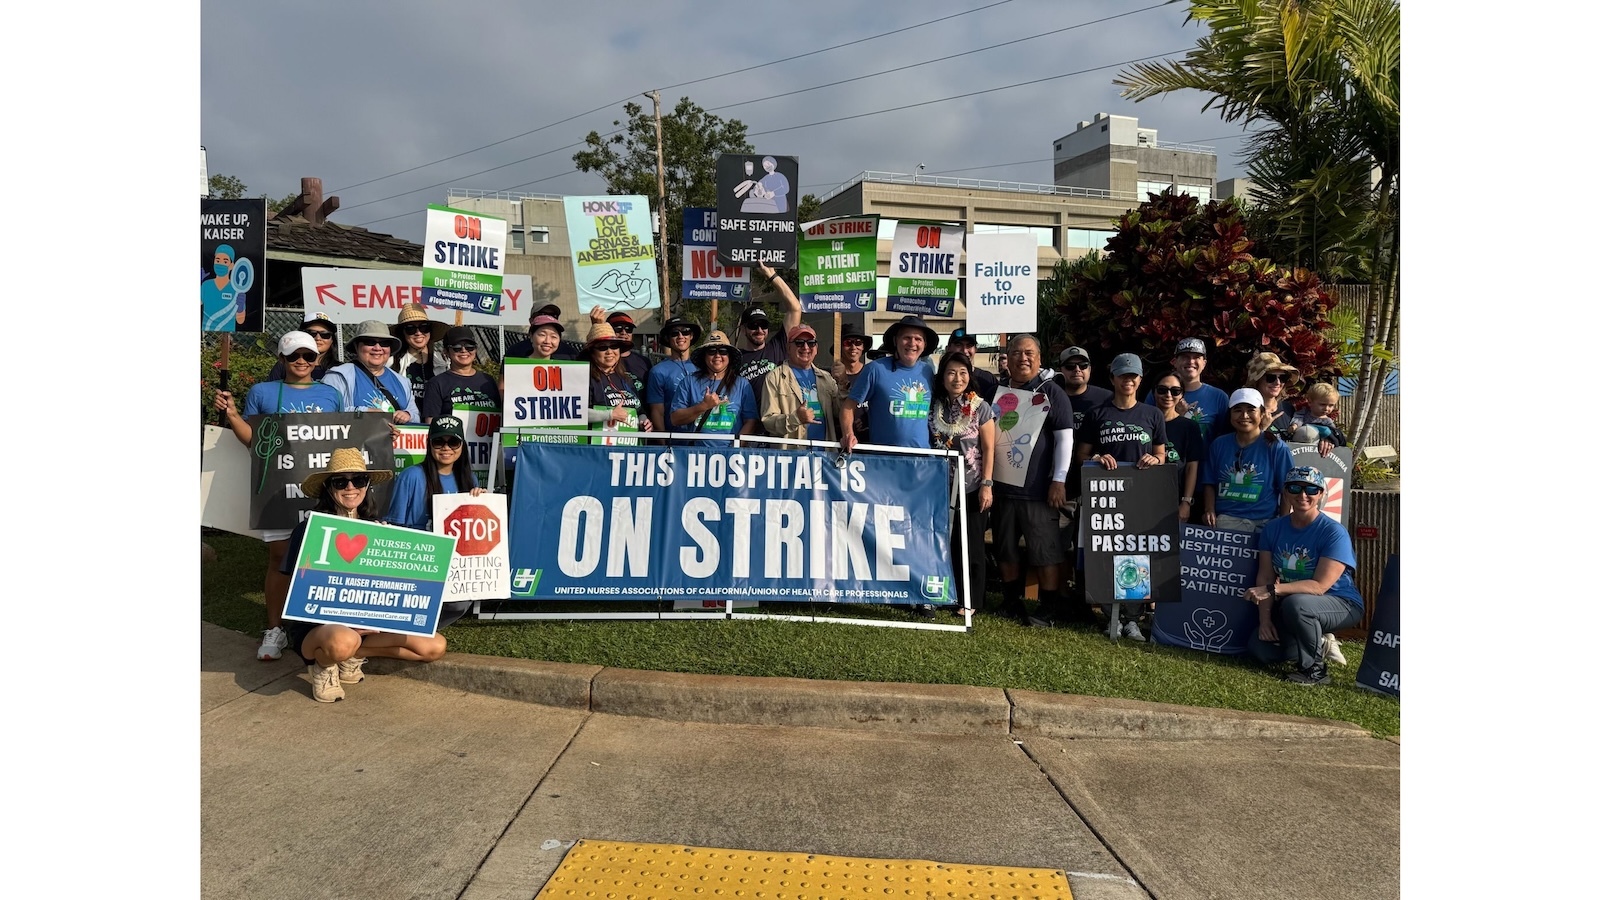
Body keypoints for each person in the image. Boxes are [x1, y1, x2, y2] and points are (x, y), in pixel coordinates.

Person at [213, 331, 346, 661]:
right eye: (294, 356)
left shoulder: (331, 394)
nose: (301, 361)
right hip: (278, 486)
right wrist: (231, 415)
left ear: (318, 359)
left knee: (322, 557)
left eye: (308, 356)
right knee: (278, 557)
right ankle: (275, 629)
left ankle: (321, 623)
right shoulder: (263, 391)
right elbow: (252, 440)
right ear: (282, 359)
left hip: (321, 488)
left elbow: (344, 434)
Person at [280, 449, 448, 703]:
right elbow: (298, 591)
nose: (350, 487)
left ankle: (352, 655)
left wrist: (390, 550)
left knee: (434, 645)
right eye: (340, 482)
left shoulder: (376, 529)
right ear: (328, 488)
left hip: (365, 629)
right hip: (319, 630)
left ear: (367, 485)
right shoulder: (310, 530)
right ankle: (323, 667)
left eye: (358, 480)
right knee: (343, 639)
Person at [1075, 353, 1168, 641]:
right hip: (1106, 497)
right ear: (1113, 378)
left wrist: (1155, 460)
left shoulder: (1152, 414)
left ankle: (1132, 620)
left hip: (1140, 497)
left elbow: (1162, 455)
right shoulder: (1097, 414)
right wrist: (1098, 457)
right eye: (1123, 375)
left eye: (1133, 376)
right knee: (1105, 555)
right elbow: (1081, 456)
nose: (1128, 380)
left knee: (1137, 557)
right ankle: (1110, 616)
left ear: (1140, 380)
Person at [984, 335, 1076, 628]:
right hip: (1001, 487)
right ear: (1007, 358)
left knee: (1045, 551)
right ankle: (1011, 601)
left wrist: (1058, 480)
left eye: (1029, 353)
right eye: (1016, 353)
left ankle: (1048, 608)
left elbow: (1065, 440)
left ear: (1039, 358)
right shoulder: (996, 392)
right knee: (1005, 547)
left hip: (1038, 491)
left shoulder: (1052, 392)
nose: (1022, 358)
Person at [1244, 466, 1363, 685]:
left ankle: (1315, 671)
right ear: (1286, 492)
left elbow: (1319, 586)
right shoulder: (1273, 529)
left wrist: (1273, 590)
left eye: (1311, 489)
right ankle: (1317, 642)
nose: (1303, 495)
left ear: (1321, 494)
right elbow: (1265, 576)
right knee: (1260, 649)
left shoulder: (1333, 532)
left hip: (1342, 603)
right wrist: (1265, 620)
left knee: (1296, 605)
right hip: (1296, 602)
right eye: (1295, 488)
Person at [928, 351, 995, 612]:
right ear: (942, 376)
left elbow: (989, 449)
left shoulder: (980, 407)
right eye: (951, 372)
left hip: (972, 485)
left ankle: (971, 601)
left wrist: (987, 485)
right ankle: (948, 593)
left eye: (963, 372)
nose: (958, 378)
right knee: (948, 541)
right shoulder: (934, 406)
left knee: (972, 544)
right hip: (940, 487)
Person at [1202, 388, 1293, 534]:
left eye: (1251, 410)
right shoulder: (1218, 444)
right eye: (1237, 410)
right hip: (1225, 522)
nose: (1244, 416)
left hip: (1264, 523)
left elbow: (1286, 488)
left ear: (1262, 413)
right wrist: (1209, 510)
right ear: (1230, 414)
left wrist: (1284, 524)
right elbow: (1209, 481)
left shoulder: (1276, 447)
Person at [840, 315, 937, 452]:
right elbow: (847, 408)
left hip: (923, 461)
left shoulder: (928, 372)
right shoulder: (875, 369)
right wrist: (848, 434)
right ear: (895, 340)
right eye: (906, 338)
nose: (912, 343)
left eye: (918, 339)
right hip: (885, 462)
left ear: (924, 345)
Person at [670, 330, 759, 443]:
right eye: (711, 351)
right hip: (696, 455)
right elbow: (675, 419)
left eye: (723, 351)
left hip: (731, 455)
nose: (717, 355)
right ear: (704, 356)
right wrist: (703, 406)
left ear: (729, 356)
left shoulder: (743, 384)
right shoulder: (689, 382)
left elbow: (751, 421)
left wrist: (735, 449)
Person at [323, 321, 420, 424]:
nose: (377, 348)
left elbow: (416, 417)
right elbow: (325, 415)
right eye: (370, 342)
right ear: (356, 346)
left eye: (384, 343)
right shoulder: (337, 377)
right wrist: (363, 413)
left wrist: (408, 415)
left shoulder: (403, 382)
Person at [760, 324, 841, 442]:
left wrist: (843, 384)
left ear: (816, 348)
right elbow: (768, 421)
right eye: (799, 343)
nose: (806, 347)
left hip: (824, 454)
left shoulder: (827, 378)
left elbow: (840, 412)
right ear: (788, 348)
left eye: (811, 343)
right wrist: (795, 418)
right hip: (792, 455)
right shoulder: (775, 377)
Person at [735, 263, 804, 393]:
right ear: (743, 329)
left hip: (778, 413)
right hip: (750, 413)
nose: (759, 330)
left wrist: (772, 275)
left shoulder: (778, 346)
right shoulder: (736, 358)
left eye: (764, 325)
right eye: (753, 326)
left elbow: (795, 309)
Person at [1148, 337, 1231, 442]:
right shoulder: (1159, 392)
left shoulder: (1219, 397)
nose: (1191, 361)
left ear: (1204, 363)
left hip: (1205, 458)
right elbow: (1147, 431)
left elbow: (1225, 439)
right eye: (1185, 357)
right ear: (1174, 362)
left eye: (1196, 357)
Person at [1150, 370, 1205, 523]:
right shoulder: (1143, 421)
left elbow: (1191, 467)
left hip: (1175, 498)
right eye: (1162, 390)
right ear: (1153, 392)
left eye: (1175, 391)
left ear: (1182, 395)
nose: (1168, 395)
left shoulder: (1189, 427)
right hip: (1143, 496)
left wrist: (1186, 502)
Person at [583, 321, 654, 439]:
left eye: (614, 346)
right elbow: (575, 413)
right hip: (598, 451)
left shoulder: (626, 378)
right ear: (592, 353)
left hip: (627, 450)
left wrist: (644, 421)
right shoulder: (585, 378)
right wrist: (609, 415)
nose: (609, 351)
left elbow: (639, 410)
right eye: (602, 347)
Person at [420, 326, 500, 424]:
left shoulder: (488, 380)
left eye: (469, 346)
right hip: (452, 439)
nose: (464, 350)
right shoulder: (436, 383)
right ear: (446, 352)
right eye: (456, 347)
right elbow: (430, 424)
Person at [645, 316, 702, 434]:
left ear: (691, 336)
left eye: (685, 332)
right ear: (667, 338)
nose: (681, 336)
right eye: (674, 333)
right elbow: (657, 412)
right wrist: (663, 442)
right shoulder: (658, 371)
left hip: (702, 441)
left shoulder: (703, 367)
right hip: (674, 440)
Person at [391, 303, 449, 408]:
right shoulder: (392, 362)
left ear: (430, 331)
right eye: (410, 329)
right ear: (402, 333)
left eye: (424, 327)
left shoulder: (444, 362)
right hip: (405, 422)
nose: (418, 333)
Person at [830, 323, 873, 445]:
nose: (853, 347)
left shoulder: (872, 374)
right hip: (841, 445)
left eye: (858, 342)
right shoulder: (829, 378)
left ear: (863, 347)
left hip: (871, 445)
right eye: (848, 343)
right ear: (840, 348)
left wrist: (866, 421)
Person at [1246, 352, 1302, 440]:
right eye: (1270, 378)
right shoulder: (1245, 412)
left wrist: (1327, 438)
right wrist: (1261, 429)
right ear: (1257, 381)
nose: (1278, 383)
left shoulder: (1289, 409)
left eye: (1282, 378)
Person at [507, 303, 589, 360]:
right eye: (542, 314)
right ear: (531, 335)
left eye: (553, 315)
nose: (547, 341)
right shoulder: (515, 352)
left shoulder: (570, 353)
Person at [268, 313, 338, 381]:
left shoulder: (339, 369)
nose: (318, 338)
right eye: (311, 333)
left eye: (325, 335)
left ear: (332, 340)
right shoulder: (285, 365)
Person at [1289, 382, 1348, 457]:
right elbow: (1298, 418)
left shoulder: (1328, 422)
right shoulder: (1304, 412)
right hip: (1298, 447)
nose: (1326, 408)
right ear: (1310, 402)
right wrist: (1295, 425)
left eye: (1331, 405)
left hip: (1316, 450)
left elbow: (1331, 435)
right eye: (1322, 404)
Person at [606, 311, 653, 396]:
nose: (624, 332)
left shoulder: (644, 362)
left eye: (628, 329)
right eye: (618, 328)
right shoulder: (601, 360)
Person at [946, 328, 998, 401]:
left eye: (969, 345)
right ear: (948, 349)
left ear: (976, 349)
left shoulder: (988, 379)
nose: (964, 350)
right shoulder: (937, 380)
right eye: (958, 345)